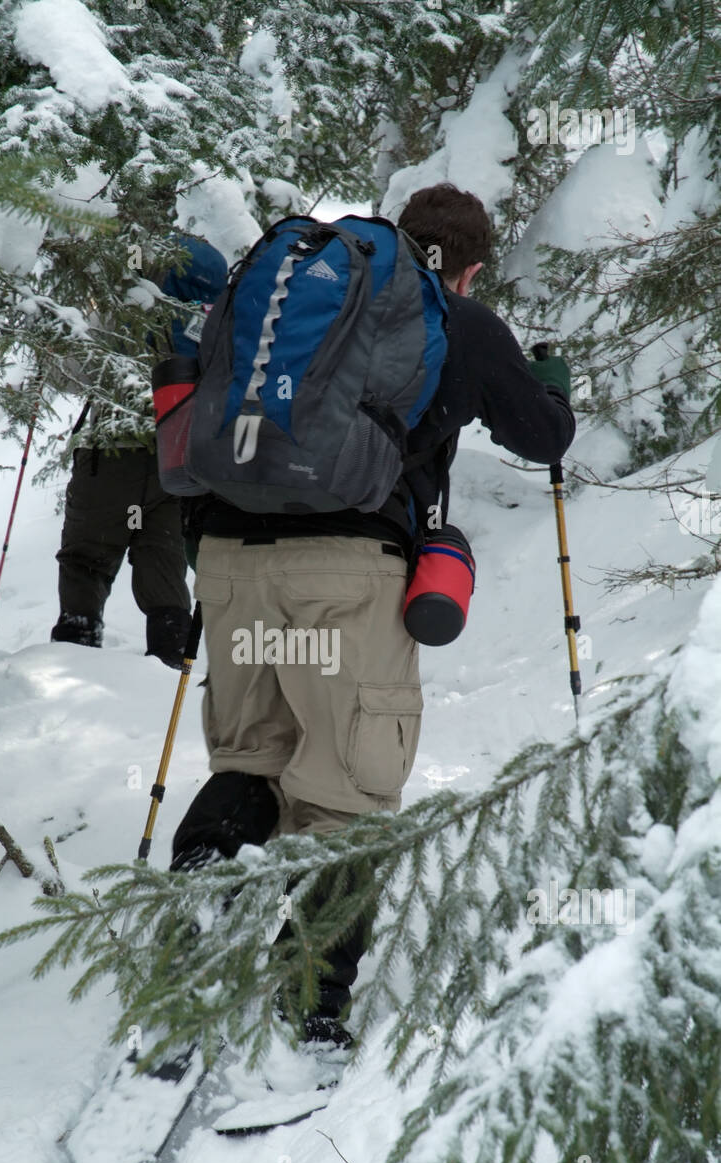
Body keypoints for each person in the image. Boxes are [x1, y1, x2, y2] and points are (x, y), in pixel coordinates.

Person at [169, 183, 576, 1043]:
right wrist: (551, 390)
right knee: (346, 795)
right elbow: (543, 440)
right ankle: (310, 1009)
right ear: (467, 270)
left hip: (231, 562)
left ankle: (192, 933)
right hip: (347, 574)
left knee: (251, 760)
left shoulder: (296, 302)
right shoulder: (455, 320)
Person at [50, 233, 229, 668]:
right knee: (162, 562)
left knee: (86, 558)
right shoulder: (211, 322)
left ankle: (75, 657)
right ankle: (169, 663)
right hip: (175, 460)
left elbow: (70, 372)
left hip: (110, 456)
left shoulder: (126, 310)